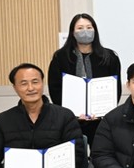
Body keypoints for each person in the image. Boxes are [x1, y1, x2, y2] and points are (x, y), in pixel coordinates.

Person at [48, 13, 122, 147]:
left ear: (95, 30)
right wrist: (70, 114)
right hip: (70, 121)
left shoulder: (109, 57)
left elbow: (115, 88)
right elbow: (55, 88)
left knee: (101, 153)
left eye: (89, 27)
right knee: (76, 155)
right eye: (80, 28)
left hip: (101, 120)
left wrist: (102, 111)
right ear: (72, 32)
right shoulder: (60, 57)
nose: (85, 31)